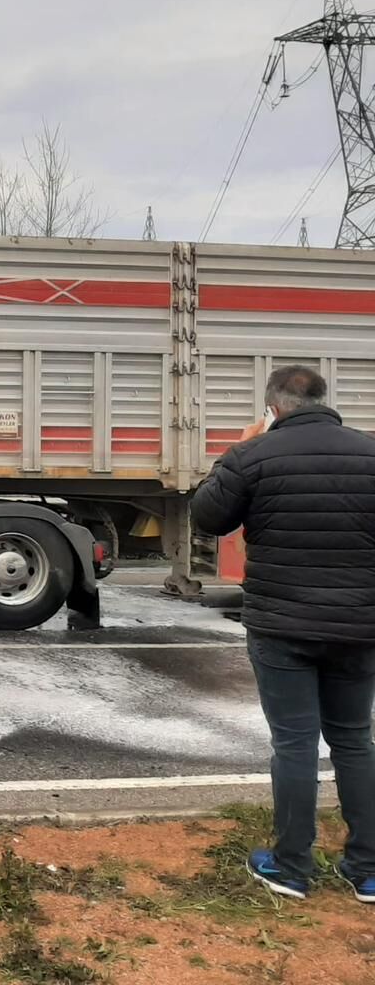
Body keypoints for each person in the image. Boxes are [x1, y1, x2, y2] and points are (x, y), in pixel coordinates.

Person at [192, 364, 375, 903]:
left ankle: (292, 867)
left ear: (272, 407)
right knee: (354, 740)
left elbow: (208, 516)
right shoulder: (370, 453)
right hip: (359, 626)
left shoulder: (255, 454)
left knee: (295, 744)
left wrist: (240, 448)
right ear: (324, 399)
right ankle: (367, 870)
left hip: (282, 627)